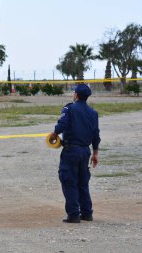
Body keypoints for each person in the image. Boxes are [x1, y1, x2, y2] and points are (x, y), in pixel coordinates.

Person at [49, 83, 100, 223]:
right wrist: (95, 152)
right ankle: (87, 213)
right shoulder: (93, 113)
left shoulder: (69, 108)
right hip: (85, 151)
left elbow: (62, 124)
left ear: (76, 95)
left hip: (71, 150)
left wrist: (54, 134)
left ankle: (73, 214)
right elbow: (96, 134)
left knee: (69, 180)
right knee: (83, 182)